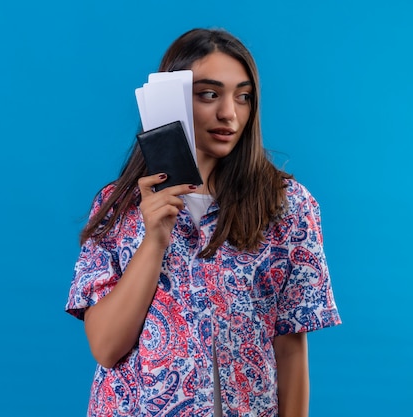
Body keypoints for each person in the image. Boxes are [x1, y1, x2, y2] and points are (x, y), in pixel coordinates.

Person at [65, 28, 341, 417]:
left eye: (243, 97)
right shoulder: (119, 207)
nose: (229, 113)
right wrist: (154, 241)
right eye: (209, 94)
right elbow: (107, 348)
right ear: (168, 99)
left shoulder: (287, 206)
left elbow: (291, 346)